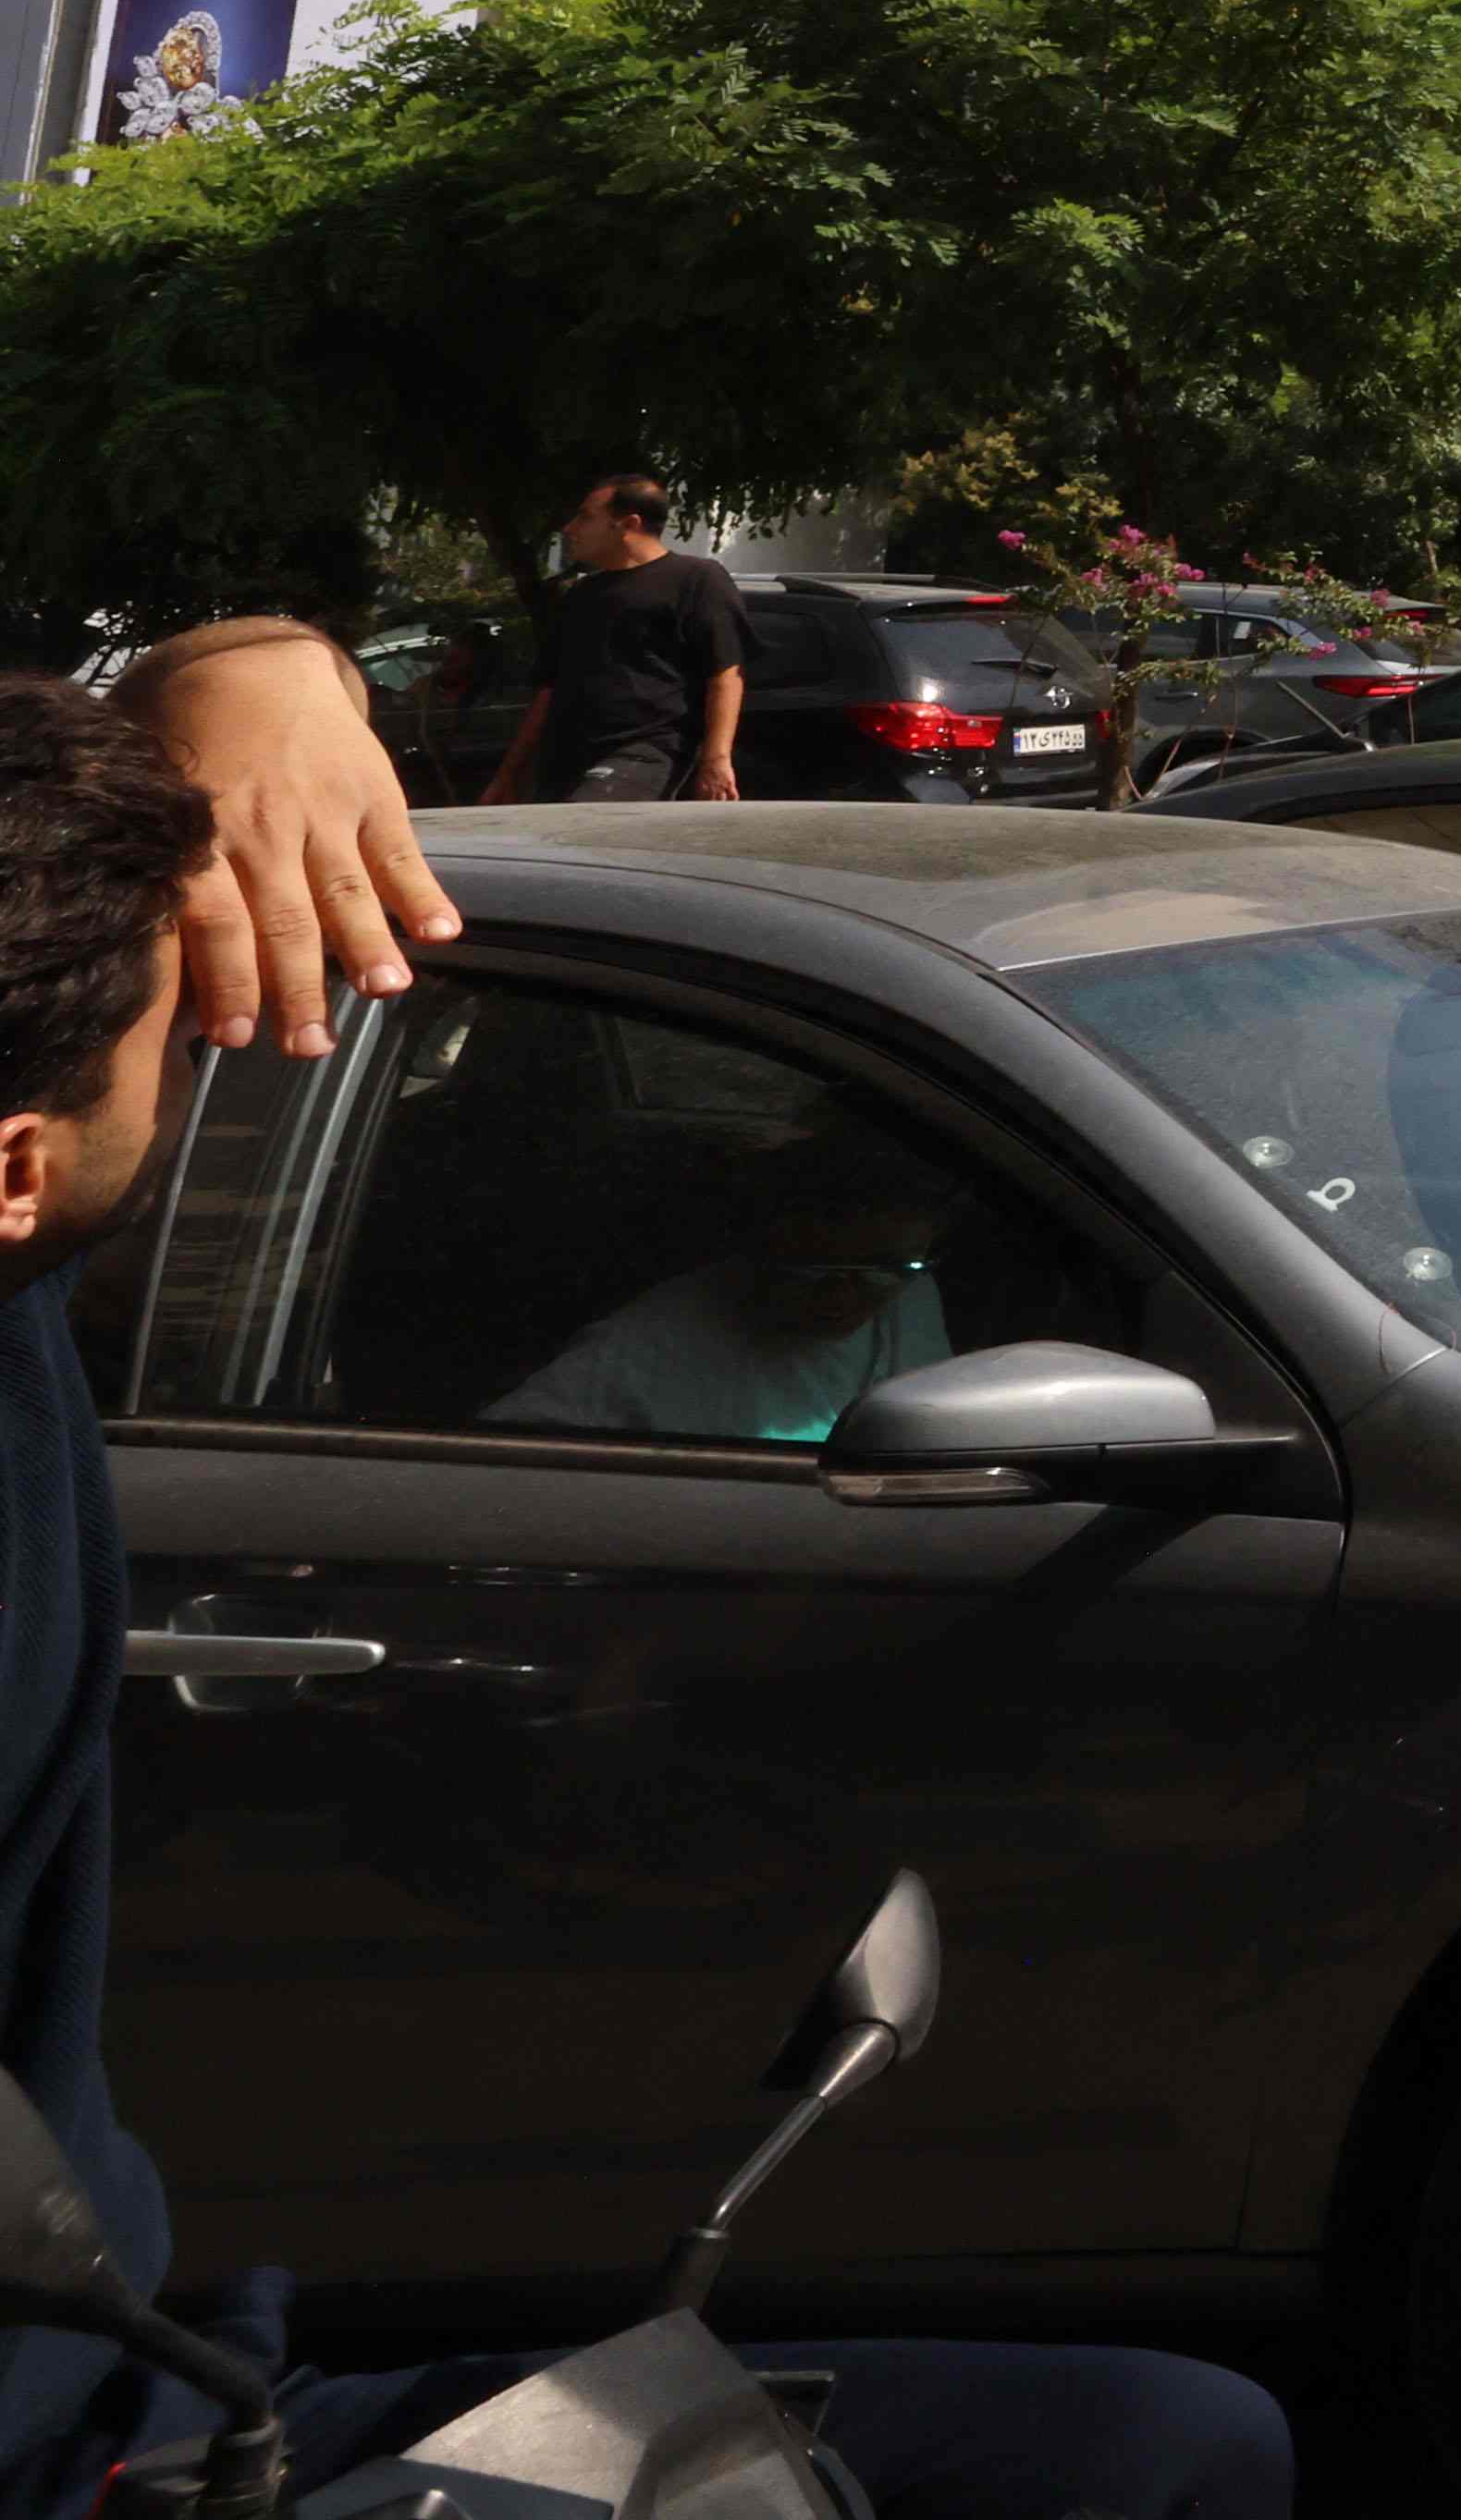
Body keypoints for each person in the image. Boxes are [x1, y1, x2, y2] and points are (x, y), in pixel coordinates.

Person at [16, 642, 1284, 2517]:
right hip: (91, 2455)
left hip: (179, 2396)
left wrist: (243, 680)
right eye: (183, 1037)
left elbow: (226, 699)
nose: (218, 1050)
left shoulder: (26, 1259)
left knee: (1164, 2444)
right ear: (23, 1164)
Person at [479, 1130, 965, 1448]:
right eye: (816, 1267)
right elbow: (504, 1457)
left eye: (885, 1268)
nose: (849, 1293)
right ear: (762, 1249)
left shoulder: (914, 1293)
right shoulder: (651, 1340)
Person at [485, 473, 744, 807]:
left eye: (586, 516)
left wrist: (716, 759)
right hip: (564, 759)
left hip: (644, 752)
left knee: (579, 832)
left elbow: (725, 673)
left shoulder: (697, 580)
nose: (569, 528)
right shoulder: (581, 595)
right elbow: (548, 689)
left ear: (628, 524)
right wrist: (509, 775)